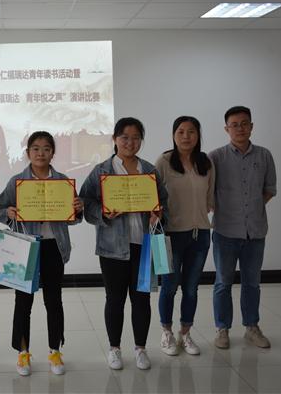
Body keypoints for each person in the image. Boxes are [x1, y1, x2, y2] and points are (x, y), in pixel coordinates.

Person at [79, 117, 168, 371]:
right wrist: (103, 213)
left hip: (144, 245)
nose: (130, 142)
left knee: (141, 299)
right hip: (112, 248)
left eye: (136, 137)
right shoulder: (101, 171)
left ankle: (140, 349)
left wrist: (159, 213)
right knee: (115, 299)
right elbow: (85, 202)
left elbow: (163, 201)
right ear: (115, 139)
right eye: (125, 137)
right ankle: (114, 348)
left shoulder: (149, 170)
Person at [0, 131, 84, 377]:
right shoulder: (17, 181)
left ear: (53, 152)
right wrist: (8, 213)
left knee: (54, 301)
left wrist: (77, 209)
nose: (41, 153)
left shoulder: (63, 181)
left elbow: (74, 218)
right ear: (28, 153)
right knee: (23, 302)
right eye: (35, 148)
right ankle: (23, 353)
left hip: (54, 246)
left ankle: (55, 351)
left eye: (46, 148)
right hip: (25, 246)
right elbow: (1, 208)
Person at [209, 106, 276, 349]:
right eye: (234, 125)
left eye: (244, 123)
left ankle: (251, 327)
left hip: (255, 232)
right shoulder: (215, 157)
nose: (240, 128)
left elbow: (269, 190)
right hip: (225, 232)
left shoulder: (264, 155)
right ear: (226, 129)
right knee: (222, 283)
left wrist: (250, 209)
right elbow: (208, 192)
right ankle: (222, 329)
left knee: (252, 283)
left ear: (252, 126)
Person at [155, 116, 215, 356]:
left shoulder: (206, 162)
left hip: (200, 235)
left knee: (191, 289)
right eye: (181, 132)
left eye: (191, 132)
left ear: (198, 135)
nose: (186, 136)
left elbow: (210, 197)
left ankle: (185, 333)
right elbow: (154, 196)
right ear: (173, 135)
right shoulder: (164, 161)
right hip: (169, 235)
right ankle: (167, 332)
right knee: (169, 287)